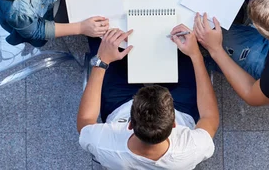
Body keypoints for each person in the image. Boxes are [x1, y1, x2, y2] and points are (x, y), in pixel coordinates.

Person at [78, 27, 219, 169]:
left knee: (103, 37)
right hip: (182, 107)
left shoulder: (104, 145)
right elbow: (210, 118)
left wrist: (102, 61)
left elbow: (85, 122)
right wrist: (196, 55)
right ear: (174, 124)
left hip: (119, 105)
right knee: (186, 43)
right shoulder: (193, 147)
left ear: (130, 124)